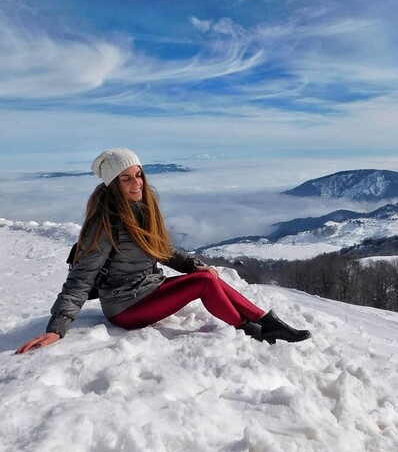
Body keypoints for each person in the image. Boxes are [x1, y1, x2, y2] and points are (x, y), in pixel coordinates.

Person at [16, 148, 310, 353]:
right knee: (205, 282)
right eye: (126, 178)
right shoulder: (105, 224)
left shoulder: (142, 210)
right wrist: (57, 328)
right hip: (124, 308)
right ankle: (250, 327)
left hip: (148, 290)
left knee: (206, 275)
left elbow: (162, 250)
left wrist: (192, 264)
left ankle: (267, 322)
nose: (136, 183)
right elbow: (80, 279)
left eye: (138, 174)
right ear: (112, 184)